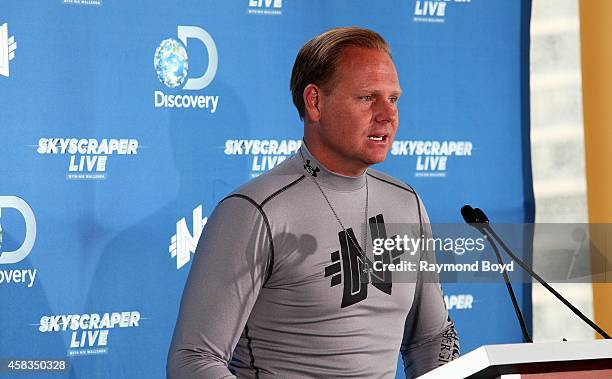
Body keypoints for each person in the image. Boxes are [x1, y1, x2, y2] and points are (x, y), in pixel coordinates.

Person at [167, 26, 459, 378]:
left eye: (393, 98)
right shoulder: (254, 211)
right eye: (367, 98)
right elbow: (194, 360)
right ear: (315, 102)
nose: (387, 115)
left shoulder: (406, 202)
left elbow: (430, 339)